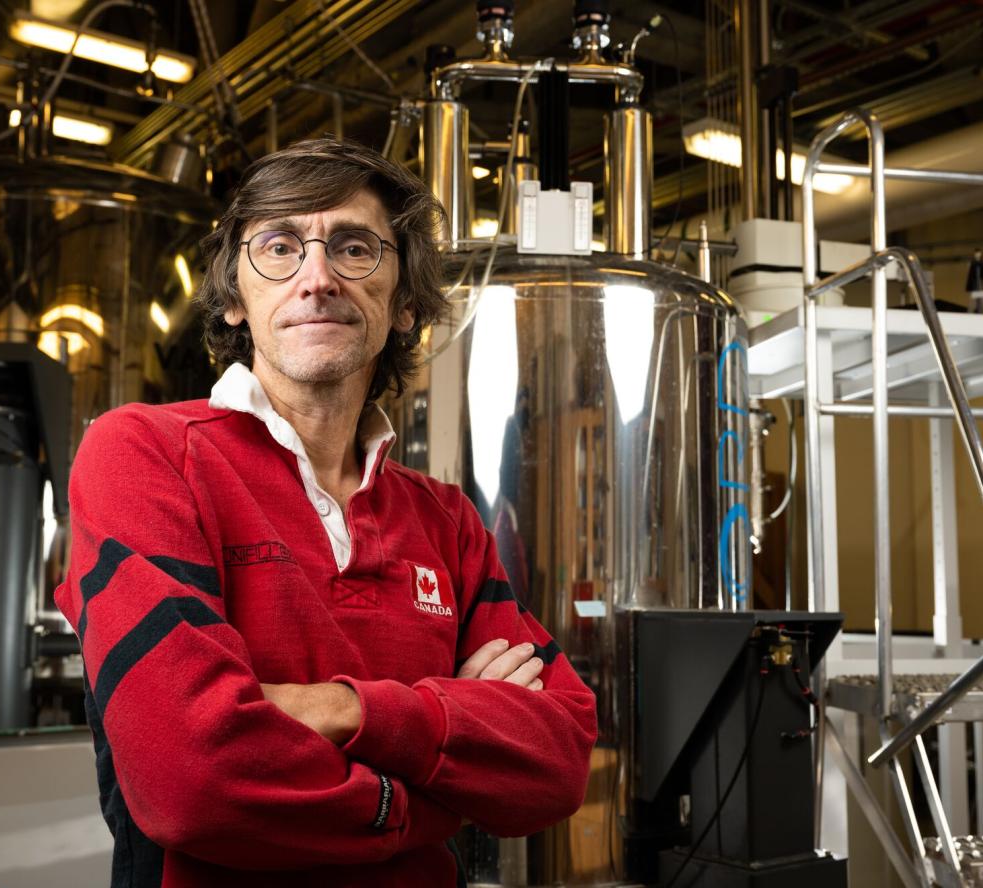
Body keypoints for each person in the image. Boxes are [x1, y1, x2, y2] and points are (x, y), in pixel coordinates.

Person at [55, 138, 597, 888]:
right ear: (237, 298)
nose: (317, 278)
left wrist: (344, 712)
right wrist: (435, 790)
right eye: (279, 247)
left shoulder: (447, 522)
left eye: (354, 247)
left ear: (405, 304)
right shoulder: (146, 456)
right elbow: (192, 780)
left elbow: (561, 758)